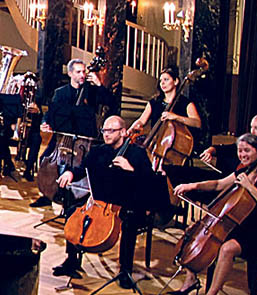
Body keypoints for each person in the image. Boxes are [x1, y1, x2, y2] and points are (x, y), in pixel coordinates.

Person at [171, 133, 257, 295]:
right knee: (195, 232)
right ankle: (190, 279)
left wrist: (250, 187)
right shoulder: (243, 171)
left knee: (226, 249)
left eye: (247, 150)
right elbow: (218, 185)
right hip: (239, 224)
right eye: (240, 150)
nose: (242, 154)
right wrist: (191, 186)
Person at [52, 115, 158, 283]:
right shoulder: (98, 151)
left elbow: (148, 182)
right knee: (72, 211)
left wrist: (129, 169)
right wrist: (70, 173)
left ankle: (125, 270)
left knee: (129, 222)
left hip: (129, 203)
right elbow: (83, 168)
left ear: (123, 132)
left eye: (111, 131)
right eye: (104, 131)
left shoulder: (137, 153)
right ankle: (72, 261)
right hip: (100, 201)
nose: (106, 134)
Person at [31, 59, 103, 209]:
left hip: (82, 141)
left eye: (84, 71)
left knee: (83, 165)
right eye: (78, 72)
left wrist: (99, 85)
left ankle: (75, 197)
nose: (82, 75)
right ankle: (48, 194)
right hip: (62, 138)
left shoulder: (92, 92)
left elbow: (110, 102)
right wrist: (45, 122)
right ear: (70, 73)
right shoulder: (61, 93)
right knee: (45, 158)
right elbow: (51, 113)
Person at [128, 65, 203, 139]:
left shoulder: (186, 103)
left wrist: (176, 117)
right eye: (161, 80)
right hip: (155, 143)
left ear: (175, 81)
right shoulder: (154, 102)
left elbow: (197, 123)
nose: (162, 83)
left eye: (166, 79)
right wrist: (132, 128)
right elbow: (141, 120)